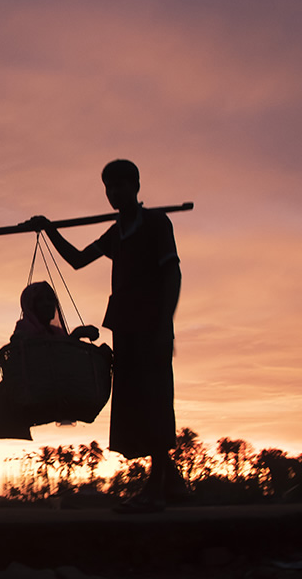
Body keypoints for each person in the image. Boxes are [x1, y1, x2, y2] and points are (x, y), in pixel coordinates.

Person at [28, 159, 185, 513]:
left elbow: (172, 275)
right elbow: (79, 260)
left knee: (155, 399)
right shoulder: (117, 232)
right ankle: (172, 483)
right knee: (135, 401)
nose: (114, 193)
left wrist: (165, 325)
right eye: (108, 187)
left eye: (120, 186)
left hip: (151, 326)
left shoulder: (157, 224)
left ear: (136, 186)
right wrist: (49, 229)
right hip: (125, 326)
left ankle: (156, 488)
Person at [0, 281, 100, 443]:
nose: (48, 304)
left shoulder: (56, 333)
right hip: (37, 390)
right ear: (31, 306)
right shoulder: (23, 332)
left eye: (50, 300)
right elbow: (40, 360)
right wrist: (73, 338)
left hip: (57, 391)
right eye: (42, 300)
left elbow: (61, 360)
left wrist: (75, 337)